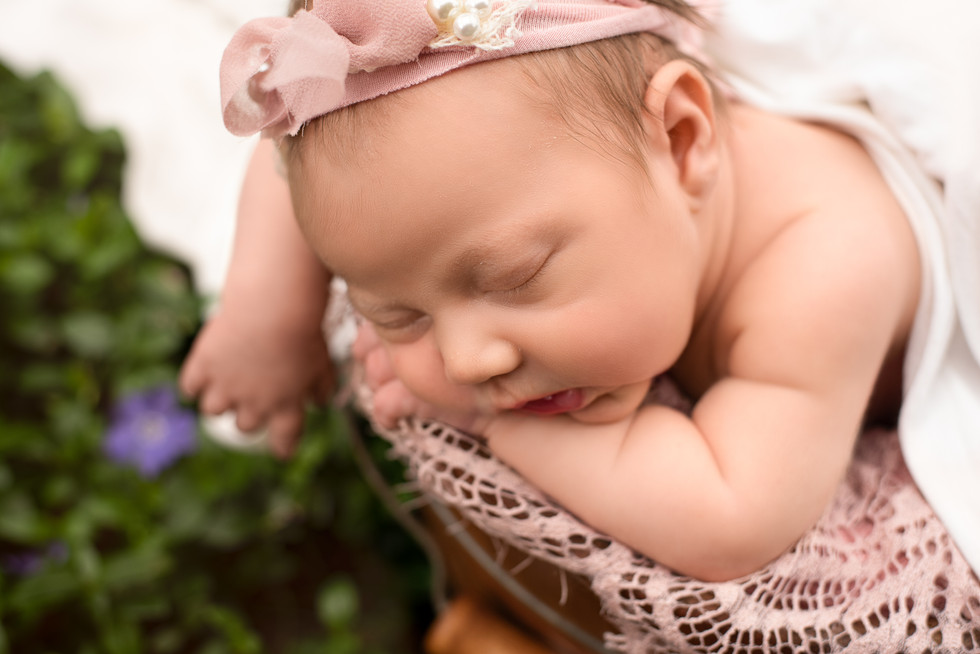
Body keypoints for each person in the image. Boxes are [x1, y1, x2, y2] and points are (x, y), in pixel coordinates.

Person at [180, 0, 921, 582]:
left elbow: (733, 517)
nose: (468, 361)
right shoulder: (499, 178)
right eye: (398, 315)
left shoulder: (825, 267)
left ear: (681, 142)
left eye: (516, 278)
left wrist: (490, 425)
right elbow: (317, 165)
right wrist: (266, 313)